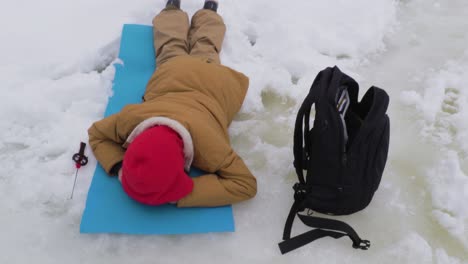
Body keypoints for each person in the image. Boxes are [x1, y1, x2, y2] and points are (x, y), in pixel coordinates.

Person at [88, 0, 257, 207]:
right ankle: (189, 11)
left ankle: (204, 11)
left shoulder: (210, 146)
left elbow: (245, 185)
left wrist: (179, 194)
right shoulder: (130, 119)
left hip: (210, 82)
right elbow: (97, 133)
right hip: (176, 74)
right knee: (174, 46)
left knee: (204, 48)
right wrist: (123, 168)